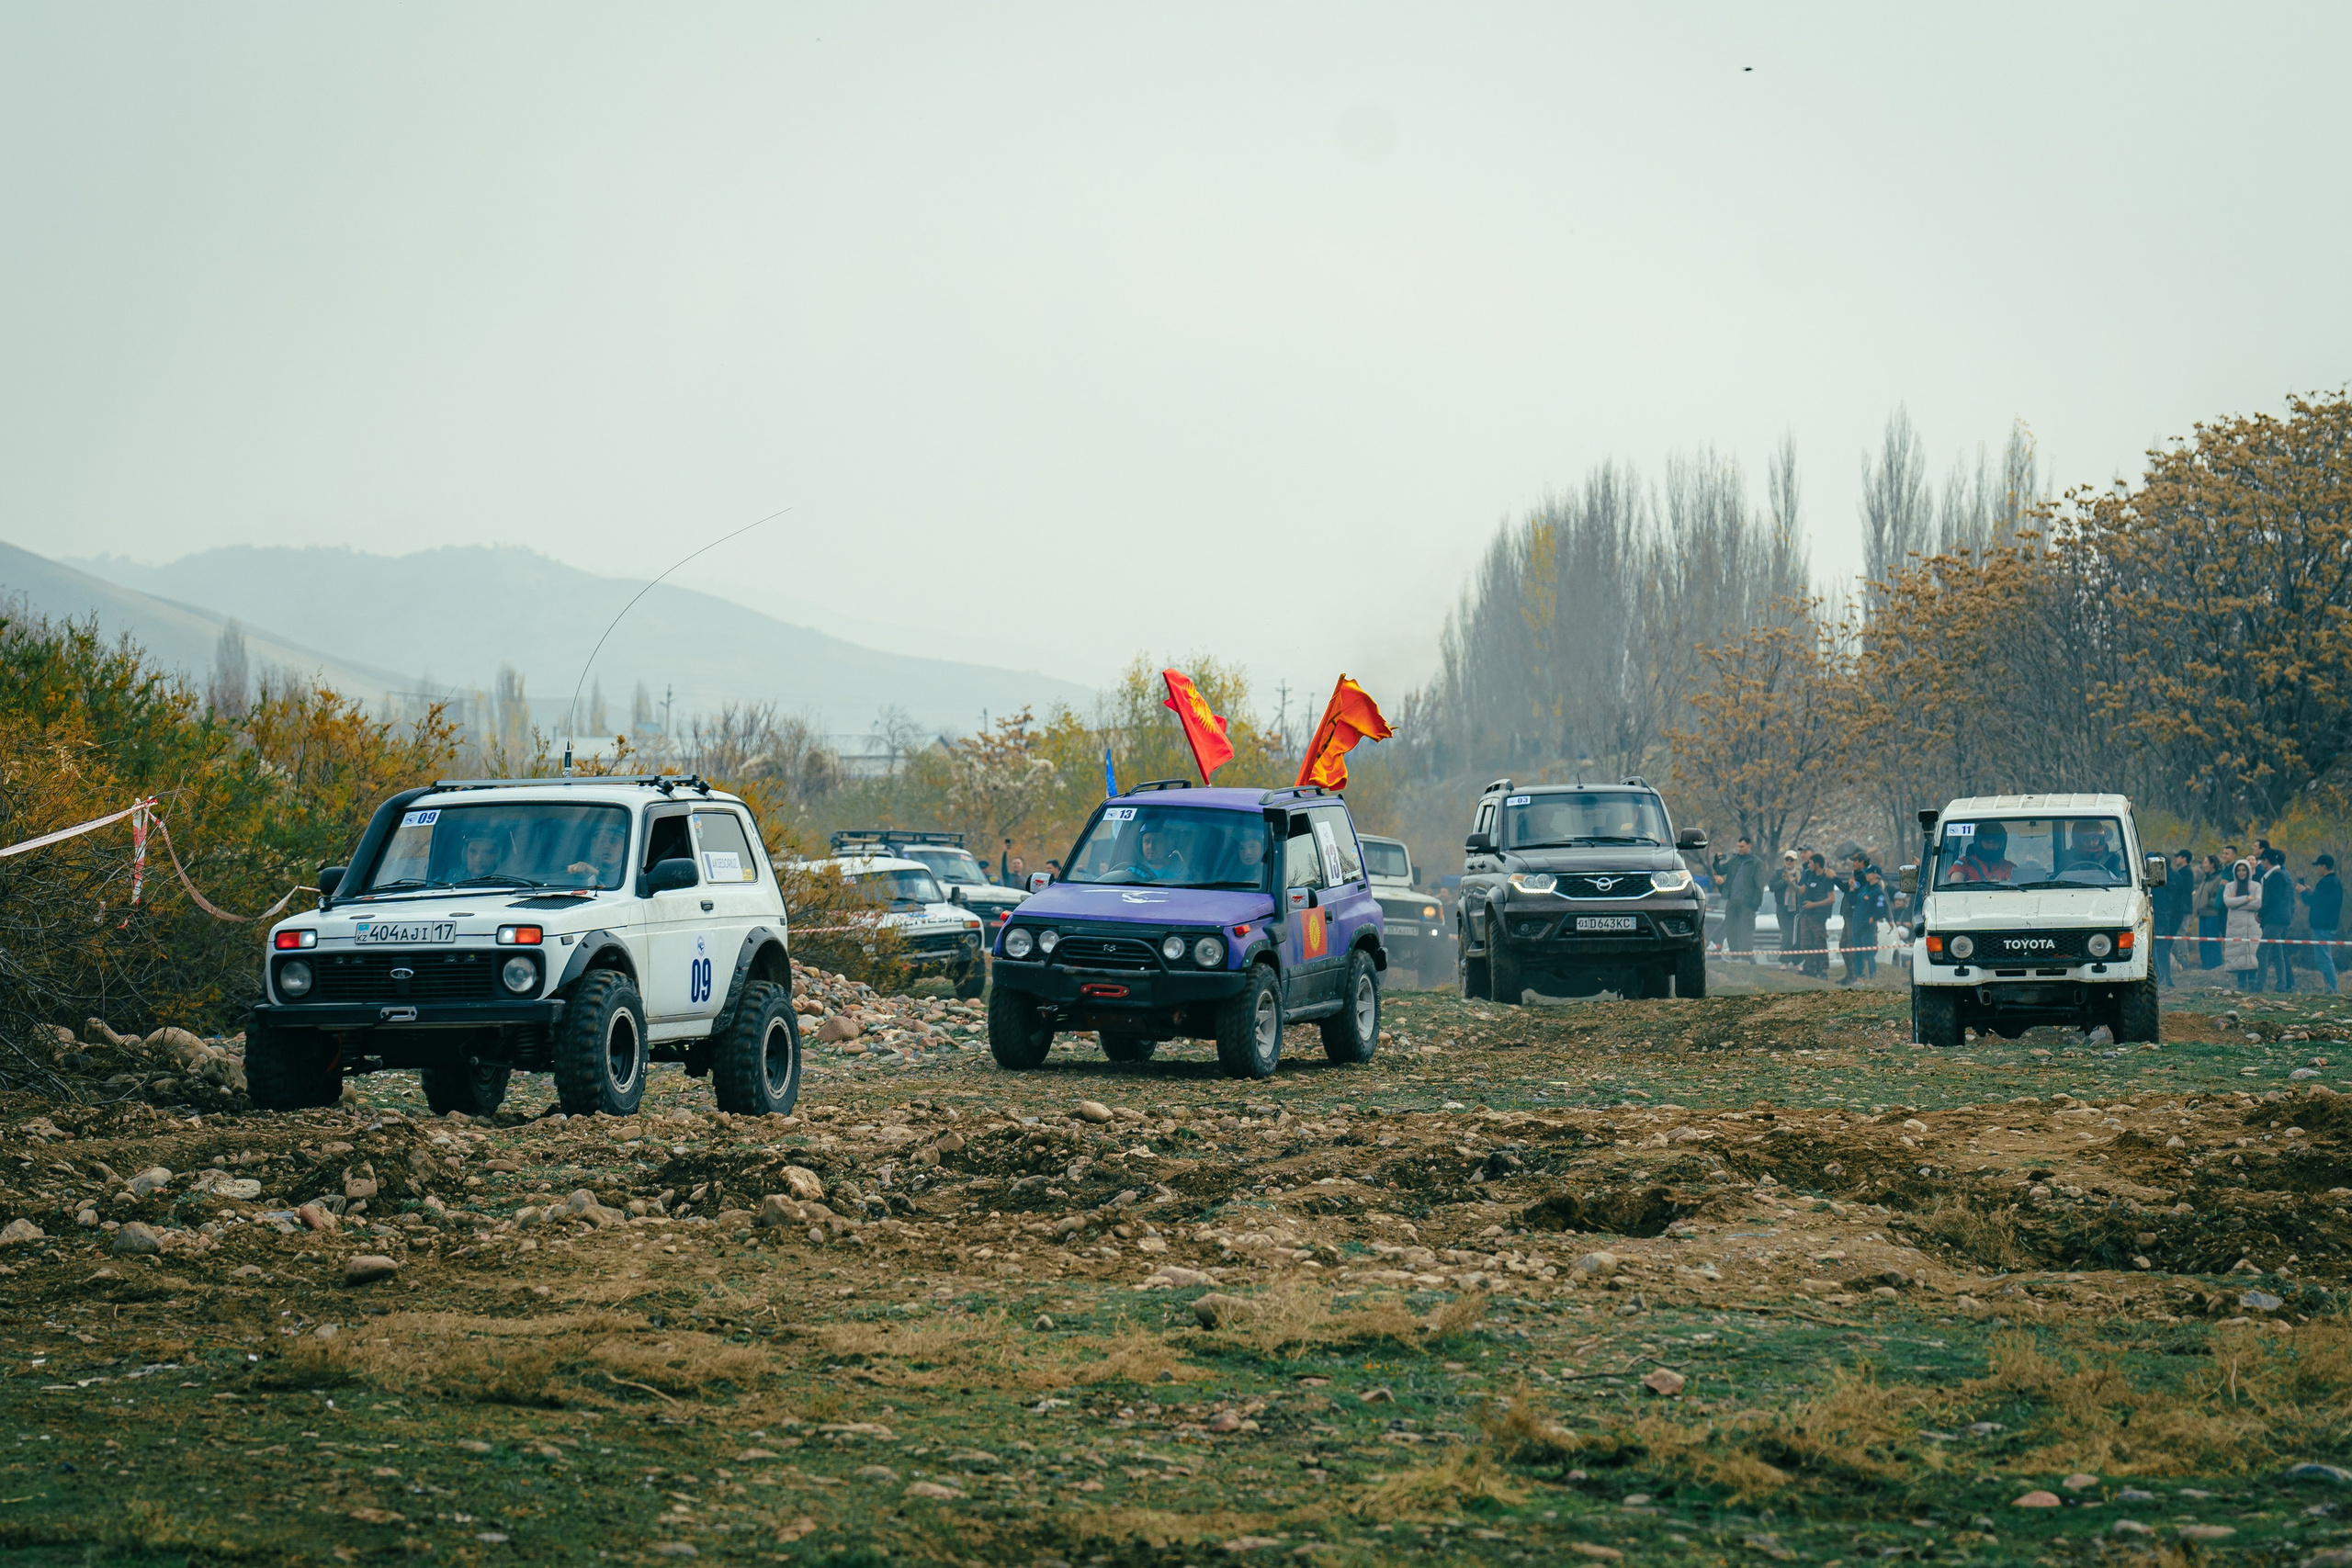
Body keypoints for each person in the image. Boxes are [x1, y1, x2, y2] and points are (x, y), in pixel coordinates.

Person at [1714, 836, 1765, 961]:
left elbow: (1759, 885)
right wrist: (1716, 861)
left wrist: (1755, 904)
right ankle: (1735, 953)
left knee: (1746, 930)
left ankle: (1746, 956)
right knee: (1730, 928)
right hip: (1732, 900)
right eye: (1738, 846)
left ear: (1749, 845)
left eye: (1742, 846)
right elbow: (1721, 870)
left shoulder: (1756, 862)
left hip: (1747, 902)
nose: (1740, 849)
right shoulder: (1734, 859)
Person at [2259, 847, 2298, 992]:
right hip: (2276, 919)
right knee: (2277, 951)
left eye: (2262, 860)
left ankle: (2259, 985)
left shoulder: (2277, 876)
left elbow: (2273, 900)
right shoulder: (2277, 875)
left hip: (2275, 920)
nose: (2261, 863)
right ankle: (2281, 984)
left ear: (2266, 861)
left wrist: (2260, 913)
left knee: (2262, 951)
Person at [2303, 853, 2343, 995]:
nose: (2318, 869)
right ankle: (2331, 988)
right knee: (2324, 957)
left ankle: (2332, 989)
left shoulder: (2326, 882)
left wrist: (2303, 892)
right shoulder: (2335, 882)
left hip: (2322, 926)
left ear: (2324, 866)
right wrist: (2312, 892)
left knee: (2323, 959)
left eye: (2319, 866)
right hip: (2328, 924)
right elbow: (2324, 900)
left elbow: (2313, 901)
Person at [2222, 859, 2262, 990]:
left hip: (2252, 926)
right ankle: (2241, 983)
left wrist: (2236, 902)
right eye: (2238, 870)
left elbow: (2258, 903)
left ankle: (2253, 981)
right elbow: (2228, 902)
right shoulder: (2230, 886)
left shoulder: (2256, 886)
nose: (2241, 873)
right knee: (2238, 954)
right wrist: (2246, 898)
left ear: (2248, 871)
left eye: (2244, 870)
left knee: (2252, 953)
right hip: (2235, 926)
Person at [1797, 852, 1837, 979]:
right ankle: (1810, 969)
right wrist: (1790, 883)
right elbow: (1801, 890)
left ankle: (1823, 970)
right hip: (1806, 914)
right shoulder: (1809, 875)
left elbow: (1832, 899)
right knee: (1806, 943)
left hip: (1819, 916)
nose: (1808, 865)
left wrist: (1814, 904)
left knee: (1820, 942)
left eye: (1810, 863)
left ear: (1817, 864)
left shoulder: (1826, 878)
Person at [565, 818, 632, 887]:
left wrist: (596, 873)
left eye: (613, 841)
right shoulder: (588, 868)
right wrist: (571, 871)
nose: (606, 846)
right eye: (602, 840)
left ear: (625, 846)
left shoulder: (631, 873)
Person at [1945, 821, 2015, 884]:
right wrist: (1971, 885)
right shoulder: (1964, 863)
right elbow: (1955, 884)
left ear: (2001, 844)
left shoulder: (2009, 867)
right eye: (1987, 842)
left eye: (1995, 842)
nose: (1991, 846)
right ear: (1979, 842)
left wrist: (2003, 884)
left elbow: (2016, 886)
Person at [1772, 851, 1804, 966]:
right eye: (1787, 859)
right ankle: (1784, 961)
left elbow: (1802, 888)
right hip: (1783, 908)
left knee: (1798, 935)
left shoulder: (1800, 873)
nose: (1789, 862)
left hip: (1796, 908)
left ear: (1795, 861)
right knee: (1787, 935)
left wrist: (1794, 882)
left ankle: (1797, 961)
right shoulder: (1779, 873)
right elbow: (1772, 886)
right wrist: (1785, 882)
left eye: (1791, 860)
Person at [2197, 853, 2227, 969]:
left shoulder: (2219, 878)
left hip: (2212, 914)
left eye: (2206, 862)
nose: (2204, 865)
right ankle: (2205, 965)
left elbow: (2219, 895)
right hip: (2203, 914)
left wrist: (2210, 903)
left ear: (2212, 864)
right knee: (2203, 941)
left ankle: (2215, 965)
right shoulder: (2206, 878)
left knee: (2213, 941)